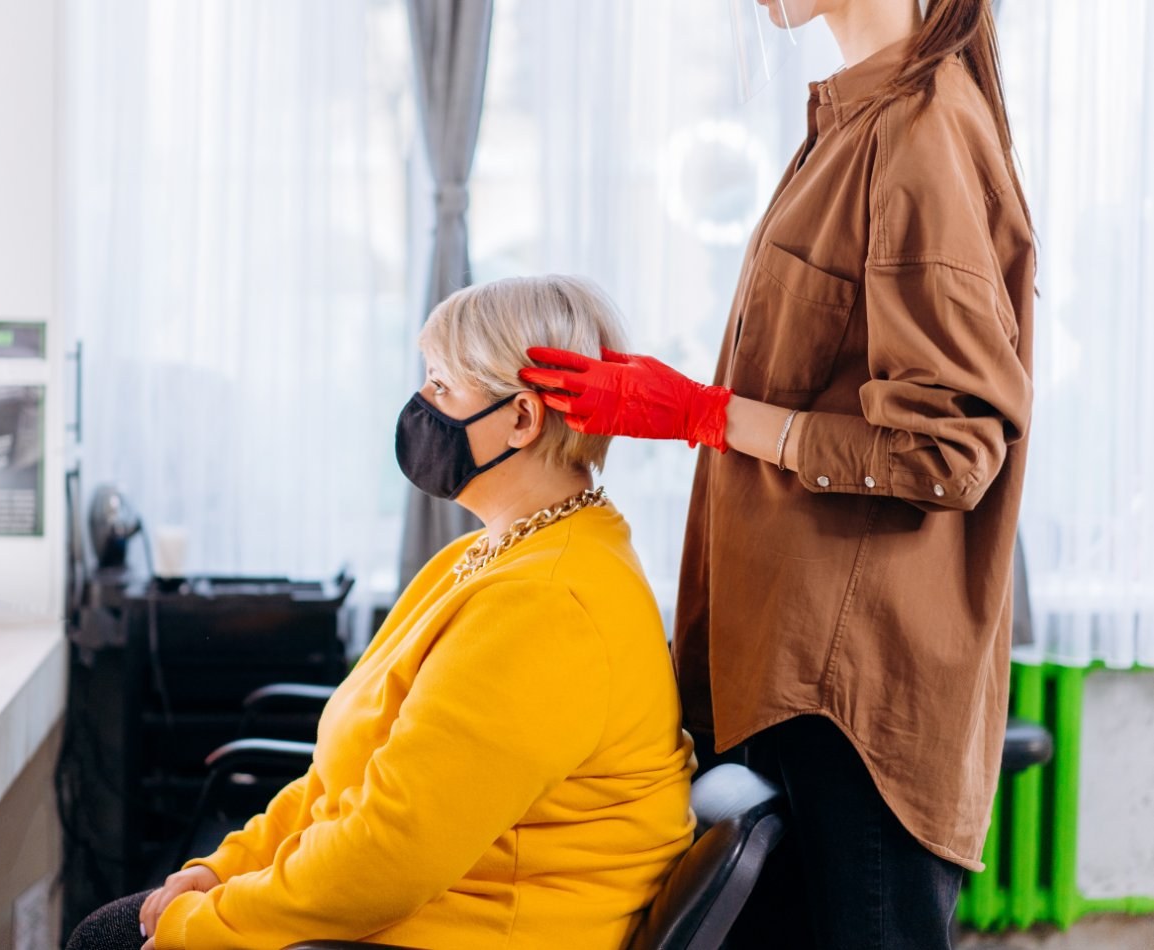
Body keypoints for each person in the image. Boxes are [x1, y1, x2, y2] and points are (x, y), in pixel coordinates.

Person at [521, 1, 1034, 947]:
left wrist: (701, 414)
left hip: (852, 700)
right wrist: (689, 409)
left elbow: (946, 451)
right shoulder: (852, 123)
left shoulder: (921, 133)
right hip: (789, 675)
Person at [66, 275, 696, 950]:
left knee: (104, 938)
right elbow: (341, 782)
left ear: (521, 418)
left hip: (467, 930)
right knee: (109, 930)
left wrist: (209, 924)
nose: (420, 406)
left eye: (442, 387)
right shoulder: (487, 555)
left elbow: (389, 855)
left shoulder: (546, 603)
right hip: (412, 913)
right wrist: (223, 869)